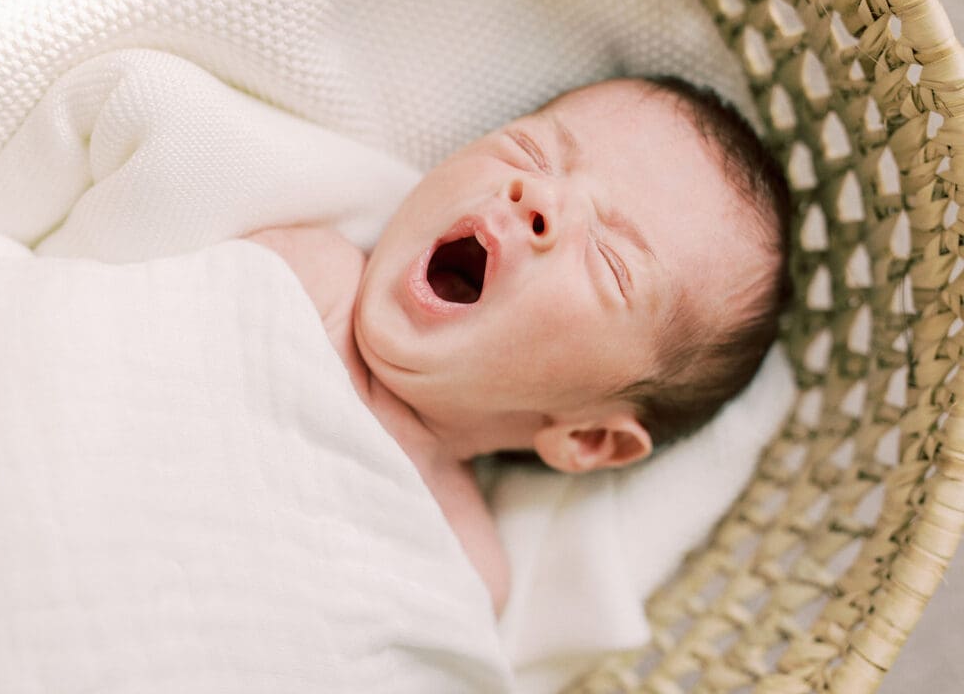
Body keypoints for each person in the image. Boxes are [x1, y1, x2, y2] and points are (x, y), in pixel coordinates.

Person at [245, 76, 791, 615]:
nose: (537, 192)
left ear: (591, 436)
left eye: (610, 261)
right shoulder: (301, 274)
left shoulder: (463, 568)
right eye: (530, 152)